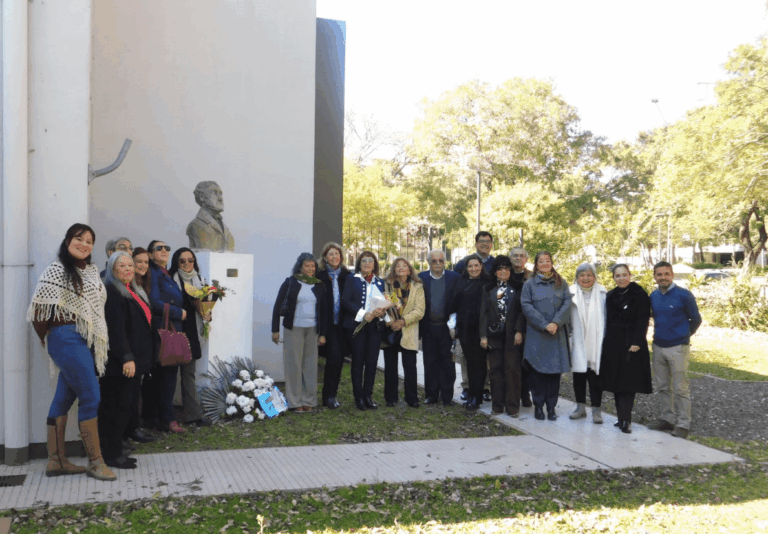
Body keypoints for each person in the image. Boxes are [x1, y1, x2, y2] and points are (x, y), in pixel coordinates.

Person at [27, 223, 115, 481]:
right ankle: (95, 462)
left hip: (85, 339)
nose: (84, 244)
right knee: (91, 396)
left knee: (64, 398)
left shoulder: (89, 272)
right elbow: (38, 310)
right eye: (79, 239)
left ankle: (56, 461)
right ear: (68, 241)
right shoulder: (56, 270)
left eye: (89, 241)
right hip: (65, 336)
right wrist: (52, 339)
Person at [100, 252, 155, 469]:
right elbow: (116, 329)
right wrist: (126, 357)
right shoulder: (113, 291)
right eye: (121, 265)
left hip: (135, 361)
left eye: (130, 265)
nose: (128, 269)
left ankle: (116, 447)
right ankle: (110, 454)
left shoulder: (132, 289)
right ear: (112, 269)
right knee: (117, 407)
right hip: (121, 364)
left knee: (126, 406)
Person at [649, 261, 702, 439]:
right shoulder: (653, 296)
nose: (663, 277)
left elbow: (695, 319)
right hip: (658, 346)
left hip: (678, 347)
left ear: (672, 275)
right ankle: (667, 418)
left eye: (666, 274)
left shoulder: (684, 295)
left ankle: (683, 423)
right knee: (663, 386)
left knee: (681, 388)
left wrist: (683, 335)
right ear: (655, 276)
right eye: (659, 274)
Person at [600, 264, 653, 434]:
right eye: (617, 275)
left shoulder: (639, 294)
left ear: (630, 275)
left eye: (624, 275)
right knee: (617, 383)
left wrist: (637, 341)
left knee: (628, 384)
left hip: (632, 345)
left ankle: (627, 420)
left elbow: (642, 319)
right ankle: (620, 418)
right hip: (613, 345)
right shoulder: (610, 295)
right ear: (613, 278)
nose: (621, 278)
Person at [272, 253, 328, 412]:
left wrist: (323, 333)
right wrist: (275, 330)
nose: (310, 269)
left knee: (310, 366)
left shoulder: (319, 285)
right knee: (294, 365)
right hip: (293, 328)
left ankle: (309, 400)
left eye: (313, 266)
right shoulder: (291, 282)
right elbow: (277, 307)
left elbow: (323, 311)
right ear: (300, 267)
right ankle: (294, 402)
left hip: (312, 330)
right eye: (307, 266)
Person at [520, 251, 572, 421]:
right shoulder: (529, 284)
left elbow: (567, 303)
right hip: (537, 334)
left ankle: (551, 408)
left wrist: (556, 322)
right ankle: (538, 406)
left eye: (547, 261)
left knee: (553, 375)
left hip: (556, 335)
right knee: (537, 374)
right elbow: (526, 305)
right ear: (536, 265)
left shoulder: (561, 283)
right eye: (541, 261)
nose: (545, 264)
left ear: (551, 263)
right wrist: (544, 324)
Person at [145, 239, 187, 433]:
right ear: (151, 254)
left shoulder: (165, 273)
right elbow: (154, 301)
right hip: (163, 330)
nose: (164, 250)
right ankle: (166, 419)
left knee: (165, 378)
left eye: (166, 248)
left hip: (170, 328)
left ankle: (159, 418)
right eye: (158, 248)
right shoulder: (153, 273)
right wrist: (179, 312)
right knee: (166, 378)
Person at [169, 247, 213, 426]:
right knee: (169, 376)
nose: (187, 264)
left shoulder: (201, 281)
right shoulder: (170, 280)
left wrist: (207, 314)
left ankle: (193, 415)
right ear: (176, 262)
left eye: (190, 260)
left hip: (193, 332)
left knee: (189, 374)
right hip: (174, 331)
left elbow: (206, 306)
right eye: (182, 261)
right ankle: (166, 416)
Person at [479, 256, 526, 416]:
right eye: (500, 269)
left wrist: (519, 331)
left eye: (506, 268)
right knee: (495, 371)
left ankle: (512, 407)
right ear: (495, 272)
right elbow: (483, 314)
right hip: (494, 335)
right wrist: (483, 336)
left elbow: (522, 311)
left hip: (513, 335)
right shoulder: (488, 288)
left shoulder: (519, 287)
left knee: (513, 370)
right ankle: (497, 406)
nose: (503, 271)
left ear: (510, 271)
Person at [341, 251, 387, 411]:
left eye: (370, 261)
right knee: (358, 362)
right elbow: (345, 301)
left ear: (375, 264)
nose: (367, 263)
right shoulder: (351, 279)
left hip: (374, 327)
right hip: (356, 327)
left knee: (372, 362)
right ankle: (358, 397)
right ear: (359, 264)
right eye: (364, 261)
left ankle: (368, 395)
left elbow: (383, 303)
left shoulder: (380, 282)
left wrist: (382, 312)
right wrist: (362, 314)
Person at [454, 231, 495, 402]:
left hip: (483, 326)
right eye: (481, 241)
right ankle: (469, 388)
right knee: (468, 359)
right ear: (476, 243)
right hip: (465, 326)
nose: (473, 268)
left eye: (488, 241)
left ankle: (482, 390)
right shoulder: (462, 269)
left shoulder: (491, 274)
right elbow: (455, 300)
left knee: (482, 361)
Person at [123, 247, 157, 445]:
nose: (143, 265)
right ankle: (128, 431)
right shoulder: (127, 286)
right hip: (131, 349)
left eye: (146, 262)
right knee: (128, 393)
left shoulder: (142, 285)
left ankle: (133, 428)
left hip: (142, 347)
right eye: (139, 262)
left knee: (135, 391)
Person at [382, 257, 425, 408]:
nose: (401, 268)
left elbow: (419, 310)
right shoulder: (387, 285)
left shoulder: (417, 286)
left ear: (409, 269)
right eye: (398, 266)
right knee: (390, 366)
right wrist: (390, 322)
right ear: (394, 269)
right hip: (391, 329)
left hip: (408, 329)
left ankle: (412, 398)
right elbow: (381, 307)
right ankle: (391, 398)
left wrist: (403, 321)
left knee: (410, 367)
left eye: (404, 265)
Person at [568, 263, 608, 424]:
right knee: (578, 374)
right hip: (577, 339)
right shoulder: (569, 293)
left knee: (595, 376)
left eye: (589, 275)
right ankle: (580, 408)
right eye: (582, 275)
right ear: (577, 277)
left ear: (594, 277)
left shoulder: (603, 294)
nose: (585, 278)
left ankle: (596, 410)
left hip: (595, 339)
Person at [419, 249, 460, 406]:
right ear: (429, 262)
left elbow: (458, 301)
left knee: (447, 362)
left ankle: (447, 395)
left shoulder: (454, 278)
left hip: (446, 328)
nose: (437, 264)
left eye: (440, 261)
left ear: (445, 262)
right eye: (434, 261)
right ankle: (431, 394)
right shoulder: (421, 278)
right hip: (428, 327)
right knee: (430, 362)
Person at [316, 242, 351, 409]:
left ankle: (332, 394)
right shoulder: (319, 277)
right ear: (325, 257)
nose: (334, 257)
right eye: (330, 254)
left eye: (337, 254)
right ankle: (327, 396)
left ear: (341, 257)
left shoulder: (348, 276)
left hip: (343, 326)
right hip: (326, 326)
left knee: (338, 360)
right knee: (333, 359)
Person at [509, 247, 532, 407]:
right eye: (515, 255)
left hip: (528, 326)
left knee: (526, 364)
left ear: (526, 259)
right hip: (507, 326)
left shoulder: (532, 277)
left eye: (522, 256)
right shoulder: (504, 275)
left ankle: (525, 394)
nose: (518, 258)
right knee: (511, 364)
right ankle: (512, 395)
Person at [186, 180, 235, 251]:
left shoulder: (226, 230)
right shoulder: (196, 225)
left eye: (220, 194)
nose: (220, 198)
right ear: (202, 197)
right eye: (215, 193)